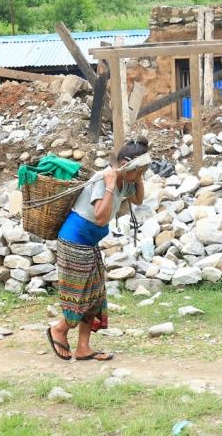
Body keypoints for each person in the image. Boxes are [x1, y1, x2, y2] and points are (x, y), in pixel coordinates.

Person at [46, 137, 149, 361]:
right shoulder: (103, 180)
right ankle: (59, 329)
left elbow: (139, 200)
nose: (139, 174)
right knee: (80, 295)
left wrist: (138, 177)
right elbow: (101, 217)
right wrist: (111, 186)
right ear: (124, 164)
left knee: (96, 296)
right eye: (138, 170)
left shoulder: (127, 179)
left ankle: (83, 347)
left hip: (89, 243)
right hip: (74, 241)